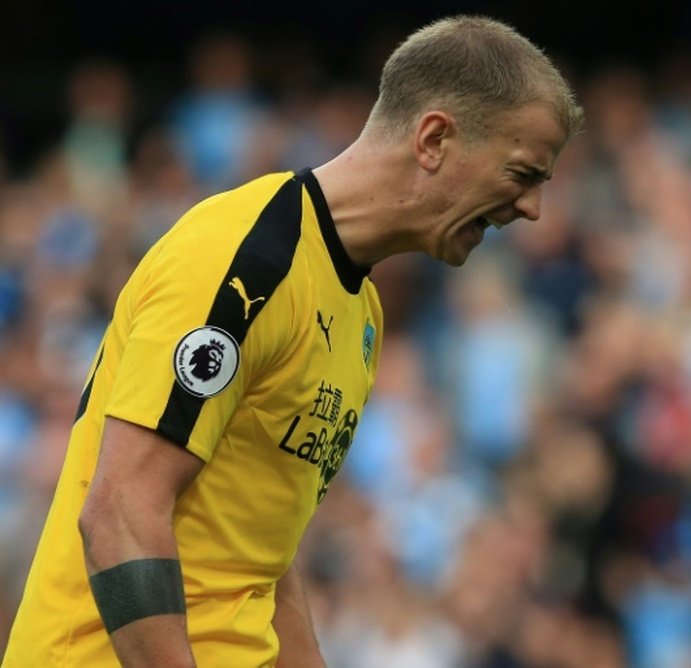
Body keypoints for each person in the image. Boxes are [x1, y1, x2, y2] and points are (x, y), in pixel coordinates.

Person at [2, 14, 583, 667]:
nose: (531, 208)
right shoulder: (244, 261)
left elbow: (264, 558)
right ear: (434, 139)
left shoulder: (361, 311)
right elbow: (118, 511)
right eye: (523, 174)